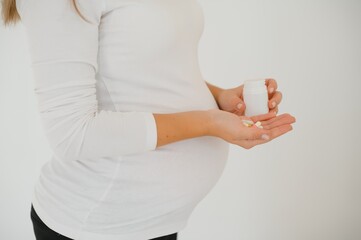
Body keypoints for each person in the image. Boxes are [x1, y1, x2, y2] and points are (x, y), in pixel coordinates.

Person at [1, 0, 296, 239]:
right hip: (99, 225)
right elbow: (73, 134)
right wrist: (209, 122)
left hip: (157, 221)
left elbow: (148, 67)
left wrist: (220, 98)